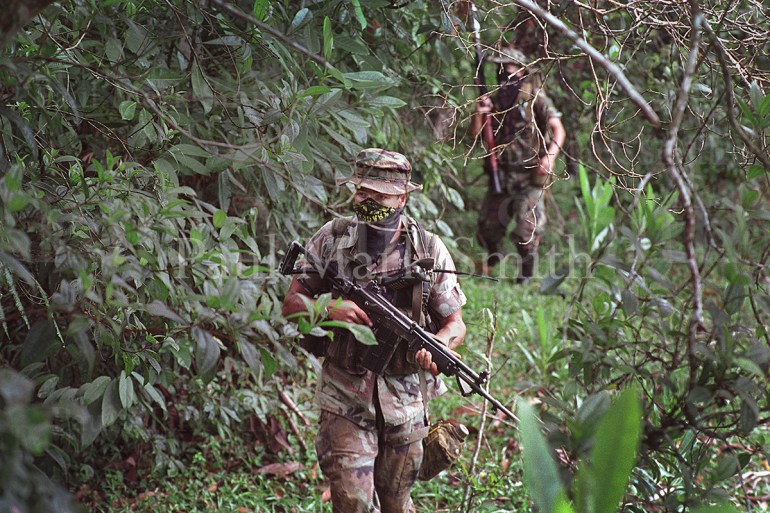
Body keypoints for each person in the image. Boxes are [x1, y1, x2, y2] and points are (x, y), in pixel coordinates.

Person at [282, 148, 467, 513]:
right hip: (345, 397)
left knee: (397, 504)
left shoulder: (427, 249)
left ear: (402, 197)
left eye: (379, 195)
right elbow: (292, 304)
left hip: (406, 403)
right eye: (362, 192)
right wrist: (330, 308)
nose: (368, 201)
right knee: (352, 503)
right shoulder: (333, 238)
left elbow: (455, 323)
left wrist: (439, 343)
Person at [471, 45, 566, 282]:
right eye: (499, 69)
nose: (503, 73)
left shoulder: (535, 99)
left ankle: (526, 271)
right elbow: (475, 136)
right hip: (501, 174)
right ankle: (494, 259)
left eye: (509, 68)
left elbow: (558, 129)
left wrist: (550, 157)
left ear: (522, 71)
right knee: (488, 228)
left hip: (529, 175)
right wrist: (479, 113)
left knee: (527, 229)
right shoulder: (493, 101)